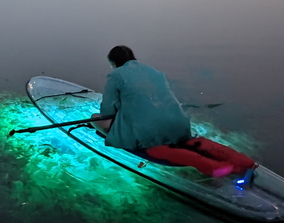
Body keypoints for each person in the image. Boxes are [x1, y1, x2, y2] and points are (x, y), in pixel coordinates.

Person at [92, 46, 254, 178]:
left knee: (96, 119)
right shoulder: (154, 72)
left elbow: (107, 110)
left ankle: (215, 168)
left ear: (114, 63)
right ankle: (244, 161)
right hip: (179, 123)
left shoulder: (116, 76)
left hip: (150, 133)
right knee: (192, 142)